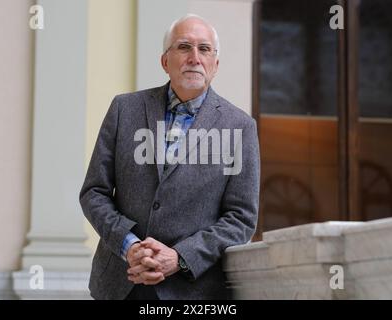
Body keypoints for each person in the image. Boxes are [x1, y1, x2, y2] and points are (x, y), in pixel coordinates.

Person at [79, 14, 260, 300]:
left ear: (215, 64)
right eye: (184, 47)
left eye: (204, 49)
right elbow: (94, 192)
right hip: (121, 282)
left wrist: (179, 257)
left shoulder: (240, 127)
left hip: (192, 290)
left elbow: (241, 219)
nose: (194, 57)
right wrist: (129, 246)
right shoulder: (124, 109)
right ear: (165, 61)